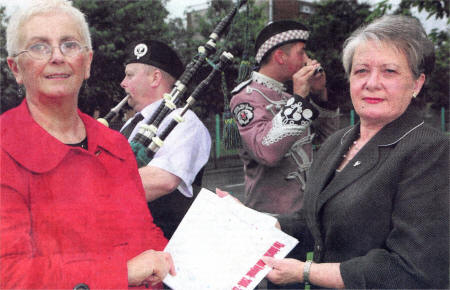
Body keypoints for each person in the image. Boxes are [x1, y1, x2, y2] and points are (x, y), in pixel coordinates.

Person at [261, 15, 449, 289]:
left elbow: (412, 270)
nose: (372, 83)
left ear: (417, 84)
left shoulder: (430, 150)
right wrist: (258, 223)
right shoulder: (337, 142)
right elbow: (317, 222)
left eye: (389, 71)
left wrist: (306, 272)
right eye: (361, 70)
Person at [0, 0, 174, 288]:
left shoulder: (114, 145)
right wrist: (121, 273)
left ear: (88, 62)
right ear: (16, 68)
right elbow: (9, 274)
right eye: (39, 46)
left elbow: (146, 237)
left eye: (69, 44)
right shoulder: (5, 149)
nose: (57, 56)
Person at [230, 20, 339, 217]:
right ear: (280, 57)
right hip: (271, 218)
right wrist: (298, 100)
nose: (308, 60)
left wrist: (320, 93)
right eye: (301, 52)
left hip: (305, 212)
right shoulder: (245, 97)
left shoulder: (291, 98)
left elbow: (330, 141)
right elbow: (267, 152)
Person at [120, 40, 211, 239]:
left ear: (155, 78)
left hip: (169, 245)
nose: (123, 83)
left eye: (130, 75)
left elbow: (163, 180)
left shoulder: (184, 121)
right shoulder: (131, 125)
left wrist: (96, 193)